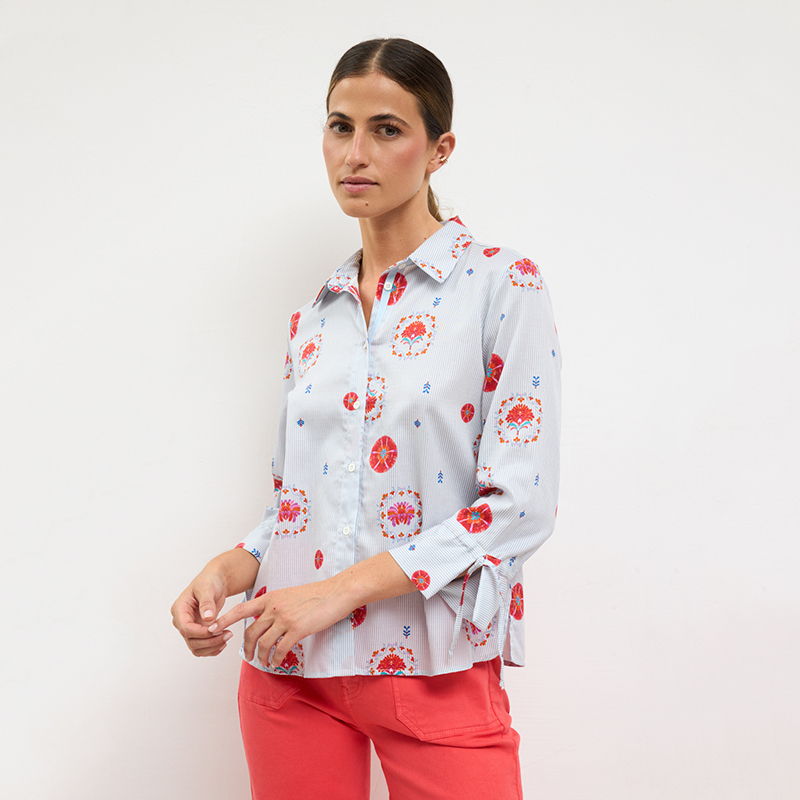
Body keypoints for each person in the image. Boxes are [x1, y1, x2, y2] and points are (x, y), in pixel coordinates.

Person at [171, 37, 561, 800]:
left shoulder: (502, 287)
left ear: (439, 149)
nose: (356, 153)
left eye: (387, 129)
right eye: (339, 126)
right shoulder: (315, 318)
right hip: (288, 672)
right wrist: (229, 567)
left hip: (434, 666)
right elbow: (300, 507)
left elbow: (520, 507)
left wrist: (340, 591)